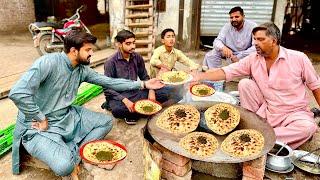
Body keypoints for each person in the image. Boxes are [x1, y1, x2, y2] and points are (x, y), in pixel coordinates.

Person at [8, 30, 164, 179]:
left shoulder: (82, 70)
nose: (92, 53)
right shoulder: (48, 62)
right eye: (88, 49)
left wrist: (143, 84)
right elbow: (17, 93)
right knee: (64, 167)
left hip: (66, 116)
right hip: (39, 127)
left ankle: (74, 154)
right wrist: (40, 117)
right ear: (74, 51)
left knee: (106, 122)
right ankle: (71, 157)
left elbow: (109, 82)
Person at [192, 22, 319, 149]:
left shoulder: (299, 58)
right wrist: (200, 76)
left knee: (308, 128)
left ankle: (259, 136)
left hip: (293, 113)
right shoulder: (254, 59)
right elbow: (228, 71)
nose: (255, 43)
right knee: (245, 84)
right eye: (254, 39)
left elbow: (315, 86)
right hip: (267, 110)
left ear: (274, 41)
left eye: (261, 39)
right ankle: (255, 128)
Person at [102, 30, 182, 124]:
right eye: (128, 43)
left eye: (133, 43)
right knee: (118, 110)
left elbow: (145, 77)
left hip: (136, 91)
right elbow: (107, 88)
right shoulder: (111, 62)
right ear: (119, 44)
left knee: (173, 92)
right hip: (120, 95)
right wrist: (125, 100)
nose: (133, 46)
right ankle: (113, 106)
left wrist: (151, 92)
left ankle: (137, 113)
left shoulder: (137, 57)